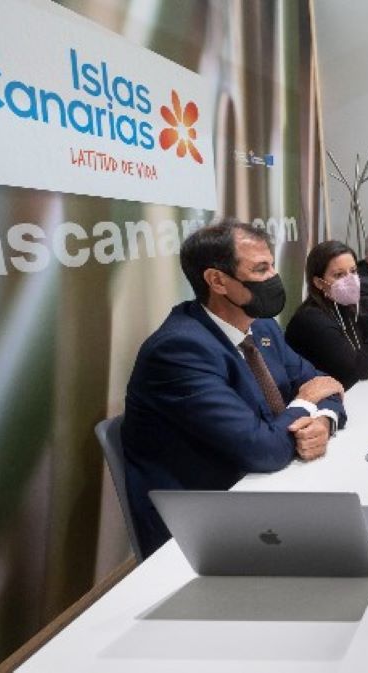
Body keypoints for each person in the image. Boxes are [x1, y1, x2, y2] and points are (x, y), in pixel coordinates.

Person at [121, 220, 347, 557]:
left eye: (271, 264)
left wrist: (323, 422)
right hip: (205, 522)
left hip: (270, 490)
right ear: (216, 281)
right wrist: (303, 402)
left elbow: (325, 385)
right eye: (261, 269)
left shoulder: (262, 326)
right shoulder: (179, 350)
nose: (274, 276)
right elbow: (263, 449)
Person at [286, 240, 368, 390]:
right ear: (319, 283)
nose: (350, 279)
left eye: (353, 271)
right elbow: (358, 371)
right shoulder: (311, 319)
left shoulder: (347, 306)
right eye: (339, 275)